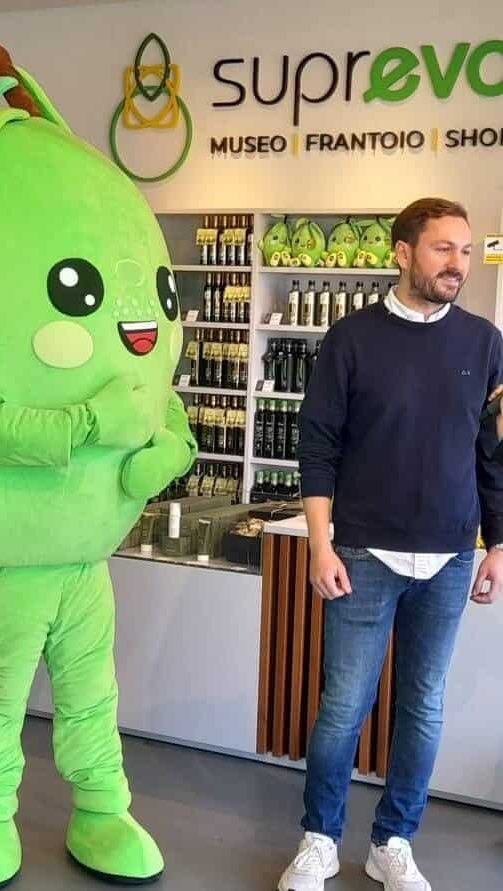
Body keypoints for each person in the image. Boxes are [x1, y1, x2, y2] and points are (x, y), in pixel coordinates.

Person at [278, 198, 503, 891]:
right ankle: (318, 840)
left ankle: (392, 841)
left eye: (464, 251)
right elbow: (317, 449)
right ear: (402, 253)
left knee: (423, 704)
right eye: (441, 249)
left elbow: (492, 452)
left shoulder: (485, 342)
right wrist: (321, 544)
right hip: (364, 554)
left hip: (449, 555)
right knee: (344, 704)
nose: (456, 264)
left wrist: (498, 543)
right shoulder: (350, 339)